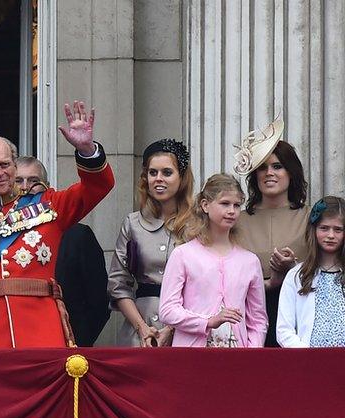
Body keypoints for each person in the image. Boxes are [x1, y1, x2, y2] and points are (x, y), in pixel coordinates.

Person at [0, 101, 114, 348]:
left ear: (14, 167)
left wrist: (87, 149)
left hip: (41, 332)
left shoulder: (49, 205)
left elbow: (98, 186)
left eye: (5, 164)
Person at [159, 174, 267, 347]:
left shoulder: (250, 261)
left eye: (237, 205)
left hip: (237, 359)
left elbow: (258, 320)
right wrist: (207, 321)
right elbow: (167, 311)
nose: (232, 211)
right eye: (225, 203)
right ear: (205, 205)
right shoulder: (183, 255)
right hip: (192, 357)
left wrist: (251, 354)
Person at [107, 139, 194, 347]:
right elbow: (118, 284)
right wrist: (142, 327)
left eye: (167, 172)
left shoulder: (198, 224)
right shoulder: (133, 223)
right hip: (141, 328)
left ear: (182, 177)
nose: (158, 179)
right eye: (152, 173)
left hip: (187, 329)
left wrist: (172, 328)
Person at [16, 160, 110, 346]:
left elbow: (98, 301)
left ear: (48, 188)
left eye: (33, 181)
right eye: (18, 181)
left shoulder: (77, 236)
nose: (25, 188)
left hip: (68, 345)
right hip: (17, 341)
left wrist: (77, 341)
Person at [233, 117, 309, 347]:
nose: (269, 173)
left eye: (277, 166)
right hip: (247, 313)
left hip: (298, 311)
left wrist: (293, 270)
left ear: (291, 172)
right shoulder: (237, 220)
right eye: (262, 167)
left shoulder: (310, 217)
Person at [276, 196, 345, 347]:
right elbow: (284, 330)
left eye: (338, 229)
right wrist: (306, 356)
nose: (331, 235)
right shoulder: (297, 275)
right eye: (324, 228)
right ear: (313, 230)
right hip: (310, 363)